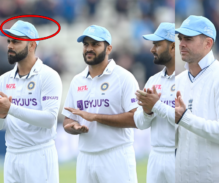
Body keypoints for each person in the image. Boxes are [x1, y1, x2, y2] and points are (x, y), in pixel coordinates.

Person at [62, 25, 139, 183]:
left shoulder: (124, 77)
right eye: (86, 44)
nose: (89, 49)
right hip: (85, 157)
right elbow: (68, 119)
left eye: (95, 44)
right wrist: (73, 127)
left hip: (116, 156)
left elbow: (136, 119)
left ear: (108, 48)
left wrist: (95, 117)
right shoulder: (77, 81)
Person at [175, 15, 219, 183]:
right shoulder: (178, 81)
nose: (182, 43)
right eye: (180, 38)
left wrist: (184, 118)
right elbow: (176, 140)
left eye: (189, 39)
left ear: (208, 43)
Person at [0, 20, 61, 183]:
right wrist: (2, 115)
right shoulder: (3, 80)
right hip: (11, 155)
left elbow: (49, 120)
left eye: (16, 41)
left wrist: (11, 108)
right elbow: (2, 126)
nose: (10, 46)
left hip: (39, 155)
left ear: (32, 45)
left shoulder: (48, 76)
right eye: (9, 41)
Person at [134, 22, 175, 183]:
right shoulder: (153, 80)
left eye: (157, 44)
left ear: (173, 46)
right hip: (156, 155)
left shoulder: (188, 80)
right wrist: (147, 111)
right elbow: (140, 123)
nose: (152, 49)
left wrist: (156, 105)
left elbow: (186, 121)